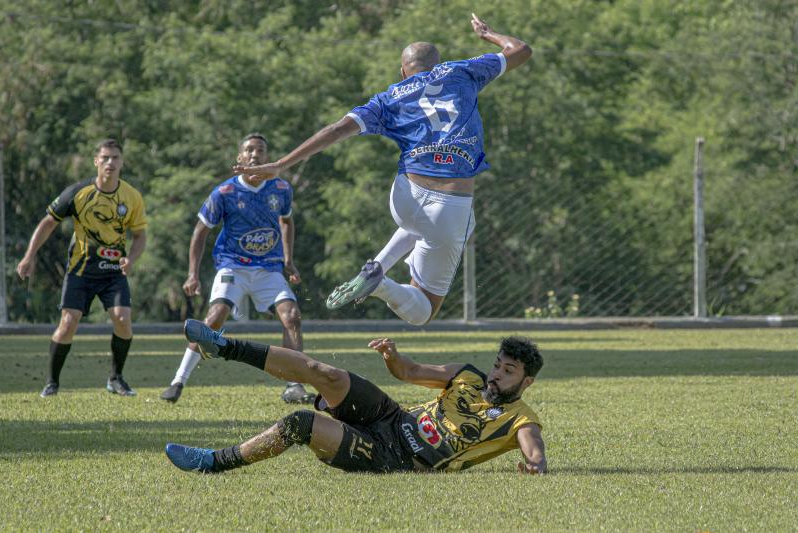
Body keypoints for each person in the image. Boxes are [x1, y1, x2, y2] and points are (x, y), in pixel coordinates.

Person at [234, 14, 532, 325]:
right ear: (438, 63)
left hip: (405, 196)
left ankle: (376, 266)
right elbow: (521, 50)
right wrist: (487, 34)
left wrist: (281, 164)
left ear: (403, 71)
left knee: (431, 225)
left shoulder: (389, 98)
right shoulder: (462, 71)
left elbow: (336, 129)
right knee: (423, 312)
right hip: (449, 205)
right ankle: (381, 284)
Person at [164, 319, 546, 475]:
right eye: (497, 365)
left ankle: (213, 462)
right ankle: (224, 346)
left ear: (526, 381)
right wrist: (392, 356)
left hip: (396, 458)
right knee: (325, 374)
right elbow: (410, 372)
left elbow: (534, 451)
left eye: (508, 371)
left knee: (301, 424)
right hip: (392, 417)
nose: (496, 374)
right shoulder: (466, 375)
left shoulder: (520, 419)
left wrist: (535, 466)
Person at [160, 133, 314, 405]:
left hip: (268, 268)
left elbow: (287, 221)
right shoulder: (225, 192)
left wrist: (288, 260)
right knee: (215, 318)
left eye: (260, 150)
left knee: (292, 316)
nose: (255, 154)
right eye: (249, 150)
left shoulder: (281, 188)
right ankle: (178, 380)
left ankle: (294, 385)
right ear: (239, 157)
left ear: (267, 157)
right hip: (233, 265)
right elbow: (200, 231)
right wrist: (192, 273)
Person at [17, 139, 147, 397]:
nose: (110, 162)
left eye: (115, 158)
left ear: (122, 162)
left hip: (113, 273)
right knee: (68, 323)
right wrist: (29, 256)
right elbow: (48, 222)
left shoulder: (132, 196)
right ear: (96, 161)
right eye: (105, 157)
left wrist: (131, 259)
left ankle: (116, 379)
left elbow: (140, 235)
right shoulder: (78, 192)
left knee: (123, 320)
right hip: (81, 271)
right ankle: (52, 383)